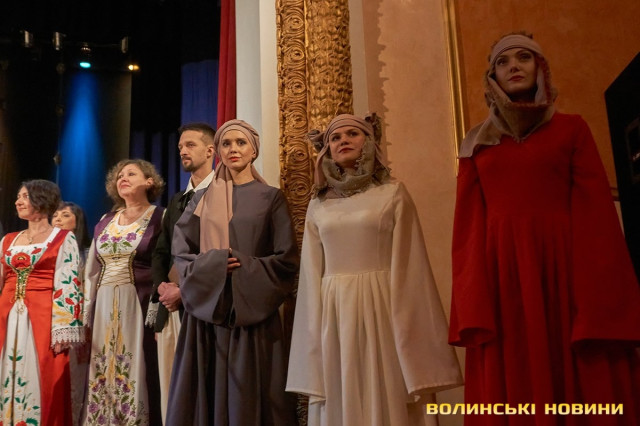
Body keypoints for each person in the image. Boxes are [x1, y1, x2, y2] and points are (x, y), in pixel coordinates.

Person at [450, 32, 640, 425]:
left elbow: (595, 208)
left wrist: (598, 285)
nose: (514, 67)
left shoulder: (572, 129)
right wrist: (472, 295)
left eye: (524, 57)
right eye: (503, 62)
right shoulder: (476, 143)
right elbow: (467, 227)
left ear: (541, 68)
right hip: (503, 275)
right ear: (492, 77)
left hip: (564, 266)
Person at [286, 113, 463, 426]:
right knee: (342, 384)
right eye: (335, 138)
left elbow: (411, 262)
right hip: (335, 311)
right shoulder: (318, 204)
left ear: (368, 141)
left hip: (383, 306)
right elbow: (312, 274)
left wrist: (410, 323)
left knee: (387, 384)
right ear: (327, 150)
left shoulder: (392, 193)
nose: (343, 141)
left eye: (352, 134)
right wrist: (312, 331)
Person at [165, 119, 299, 425]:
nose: (233, 149)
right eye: (226, 143)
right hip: (208, 311)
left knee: (250, 394)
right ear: (218, 151)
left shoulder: (270, 197)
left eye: (241, 142)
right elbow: (182, 251)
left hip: (251, 309)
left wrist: (242, 264)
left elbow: (286, 260)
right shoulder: (201, 199)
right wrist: (213, 266)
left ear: (254, 150)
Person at [82, 159, 165, 425]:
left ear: (149, 182)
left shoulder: (160, 217)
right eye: (119, 176)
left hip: (138, 302)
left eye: (131, 173)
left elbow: (166, 264)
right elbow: (92, 270)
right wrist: (86, 313)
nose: (123, 178)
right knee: (102, 363)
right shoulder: (106, 221)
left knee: (135, 362)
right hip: (104, 303)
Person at [0, 180, 83, 425]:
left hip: (43, 316)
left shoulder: (63, 238)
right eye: (18, 196)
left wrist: (63, 326)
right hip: (7, 314)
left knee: (39, 371)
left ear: (42, 200)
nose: (18, 201)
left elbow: (68, 282)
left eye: (25, 196)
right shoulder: (8, 240)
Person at [147, 122, 215, 423]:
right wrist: (162, 287)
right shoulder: (176, 200)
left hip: (204, 304)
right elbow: (161, 251)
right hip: (171, 305)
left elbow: (214, 253)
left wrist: (184, 291)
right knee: (172, 381)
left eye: (190, 145)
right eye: (180, 147)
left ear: (210, 150)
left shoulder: (224, 194)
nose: (183, 151)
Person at [53, 201, 92, 426]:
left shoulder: (86, 254)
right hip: (47, 322)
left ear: (78, 223)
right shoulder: (45, 253)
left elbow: (88, 292)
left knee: (74, 381)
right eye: (55, 215)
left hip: (75, 326)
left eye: (65, 215)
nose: (58, 218)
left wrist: (85, 325)